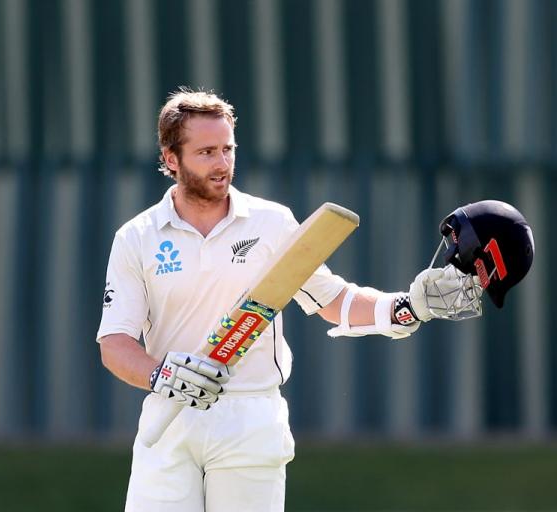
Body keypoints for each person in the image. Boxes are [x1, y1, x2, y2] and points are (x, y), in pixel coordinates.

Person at [96, 88, 531, 512]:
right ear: (171, 159)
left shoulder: (270, 223)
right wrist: (162, 375)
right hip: (169, 417)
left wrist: (408, 307)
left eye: (228, 149)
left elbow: (333, 299)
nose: (222, 163)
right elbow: (115, 344)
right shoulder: (138, 237)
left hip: (250, 416)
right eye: (206, 152)